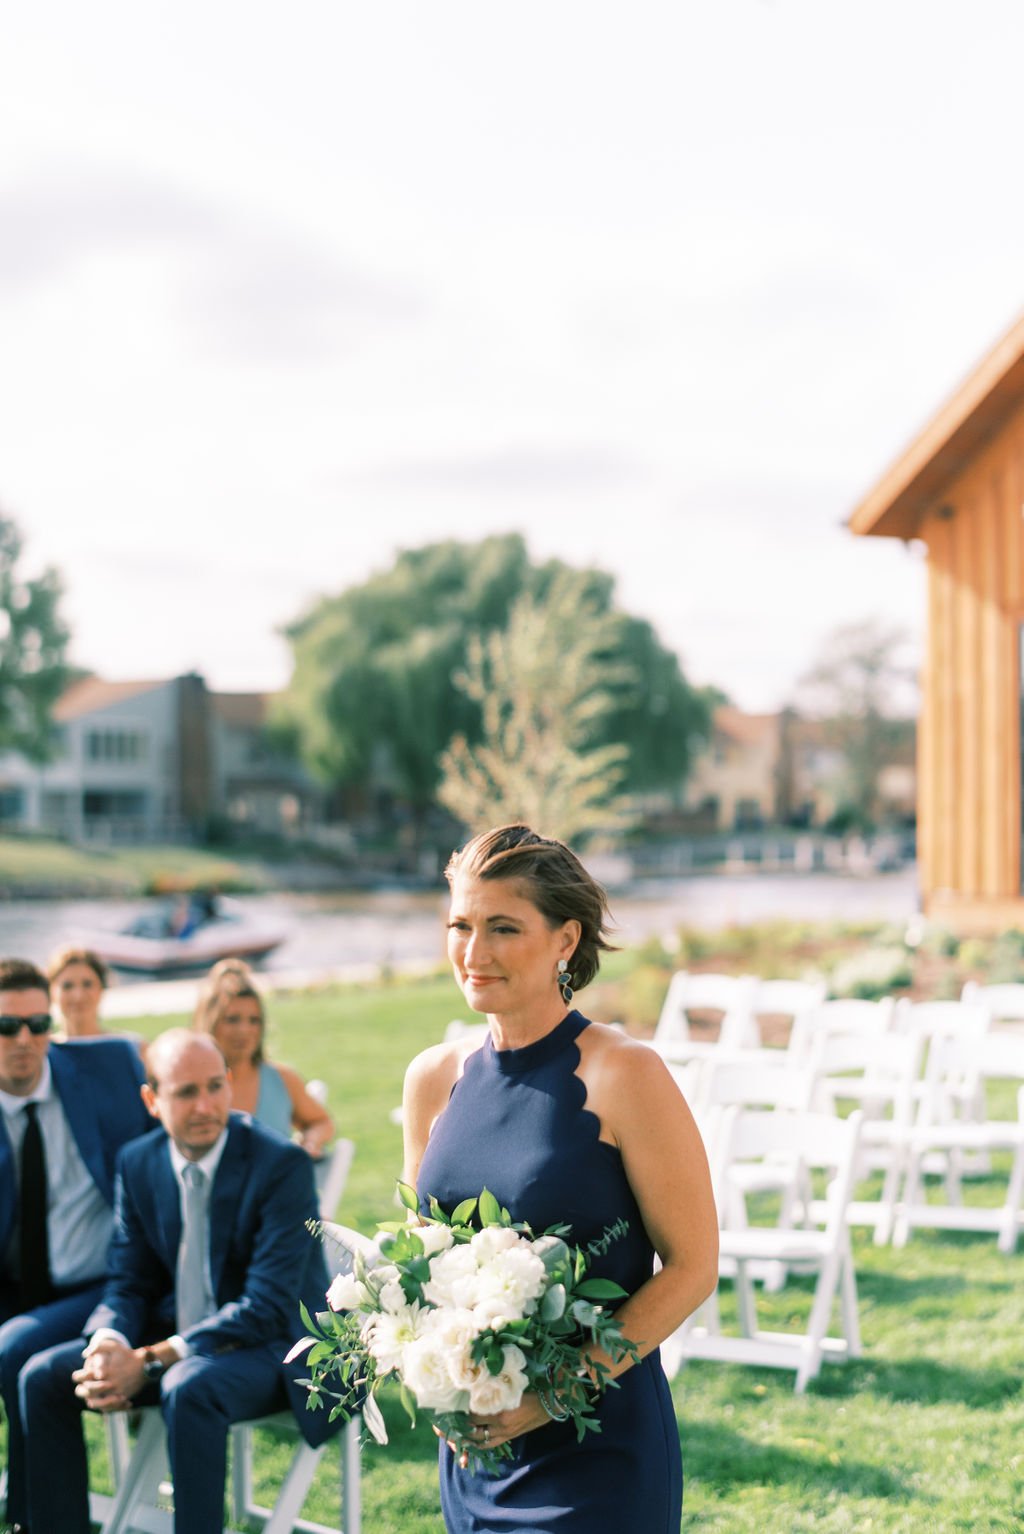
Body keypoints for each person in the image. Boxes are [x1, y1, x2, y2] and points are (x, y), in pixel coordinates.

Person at [402, 824, 719, 1533]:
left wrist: (553, 1392)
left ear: (566, 941)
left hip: (599, 1455)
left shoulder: (625, 1074)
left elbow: (693, 1267)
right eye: (460, 925)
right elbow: (419, 1265)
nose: (473, 953)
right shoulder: (431, 1080)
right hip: (476, 1451)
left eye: (503, 927)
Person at [18, 1028, 340, 1534]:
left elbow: (268, 1305)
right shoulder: (139, 1162)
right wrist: (109, 1342)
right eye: (186, 1092)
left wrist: (148, 1360)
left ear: (230, 1085)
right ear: (152, 1099)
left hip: (280, 1349)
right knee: (42, 1375)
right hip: (183, 1342)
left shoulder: (282, 1166)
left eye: (215, 1086)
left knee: (187, 1386)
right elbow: (128, 1281)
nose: (205, 1105)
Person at [0, 957, 150, 1534]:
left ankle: (34, 1522)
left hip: (96, 1282)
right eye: (6, 1027)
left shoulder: (109, 1066)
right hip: (13, 1281)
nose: (24, 1040)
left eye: (37, 1024)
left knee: (17, 1351)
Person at [192, 958, 334, 1157]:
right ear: (209, 1022)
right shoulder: (189, 1085)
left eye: (254, 1020)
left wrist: (311, 1142)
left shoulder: (283, 1080)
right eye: (232, 1020)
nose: (245, 1030)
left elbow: (321, 1122)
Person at [47, 946, 109, 1038]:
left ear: (101, 989)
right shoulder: (41, 1050)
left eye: (87, 984)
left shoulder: (128, 1047)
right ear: (51, 992)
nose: (78, 996)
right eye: (67, 986)